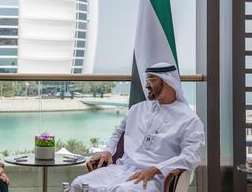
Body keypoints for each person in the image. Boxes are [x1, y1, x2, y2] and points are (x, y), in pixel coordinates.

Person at [70, 62, 205, 192]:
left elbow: (191, 156)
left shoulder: (189, 119)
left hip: (157, 177)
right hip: (122, 168)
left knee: (124, 190)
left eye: (151, 80)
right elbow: (118, 133)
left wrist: (157, 168)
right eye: (147, 80)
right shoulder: (137, 109)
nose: (146, 85)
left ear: (167, 82)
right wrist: (108, 151)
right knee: (79, 184)